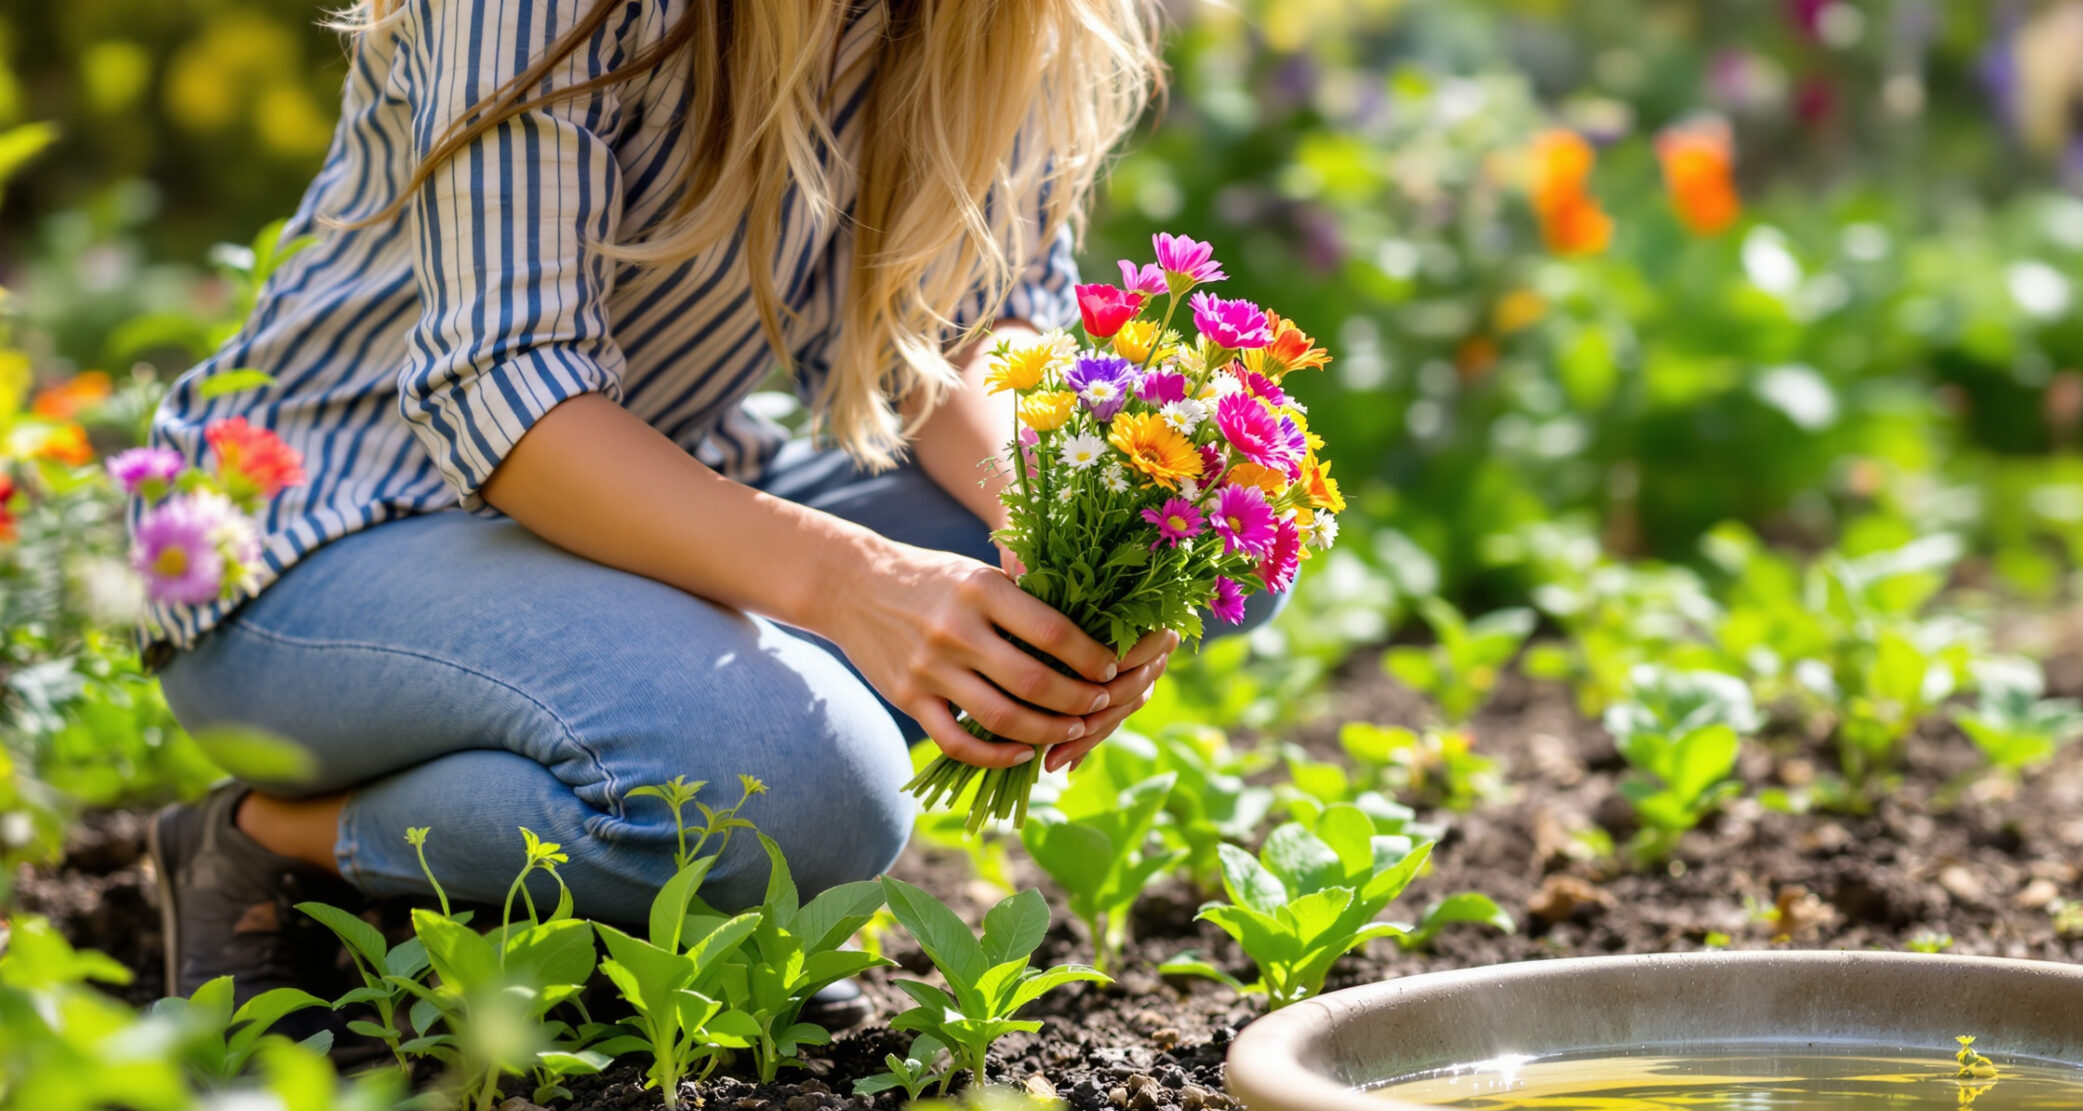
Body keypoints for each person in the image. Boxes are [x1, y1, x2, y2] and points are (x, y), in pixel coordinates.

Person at [142, 0, 1264, 1008]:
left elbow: (967, 331)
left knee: (1190, 540)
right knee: (810, 796)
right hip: (319, 536)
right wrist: (850, 585)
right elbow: (507, 388)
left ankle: (629, 841)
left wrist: (1072, 526)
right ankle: (265, 840)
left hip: (640, 500)